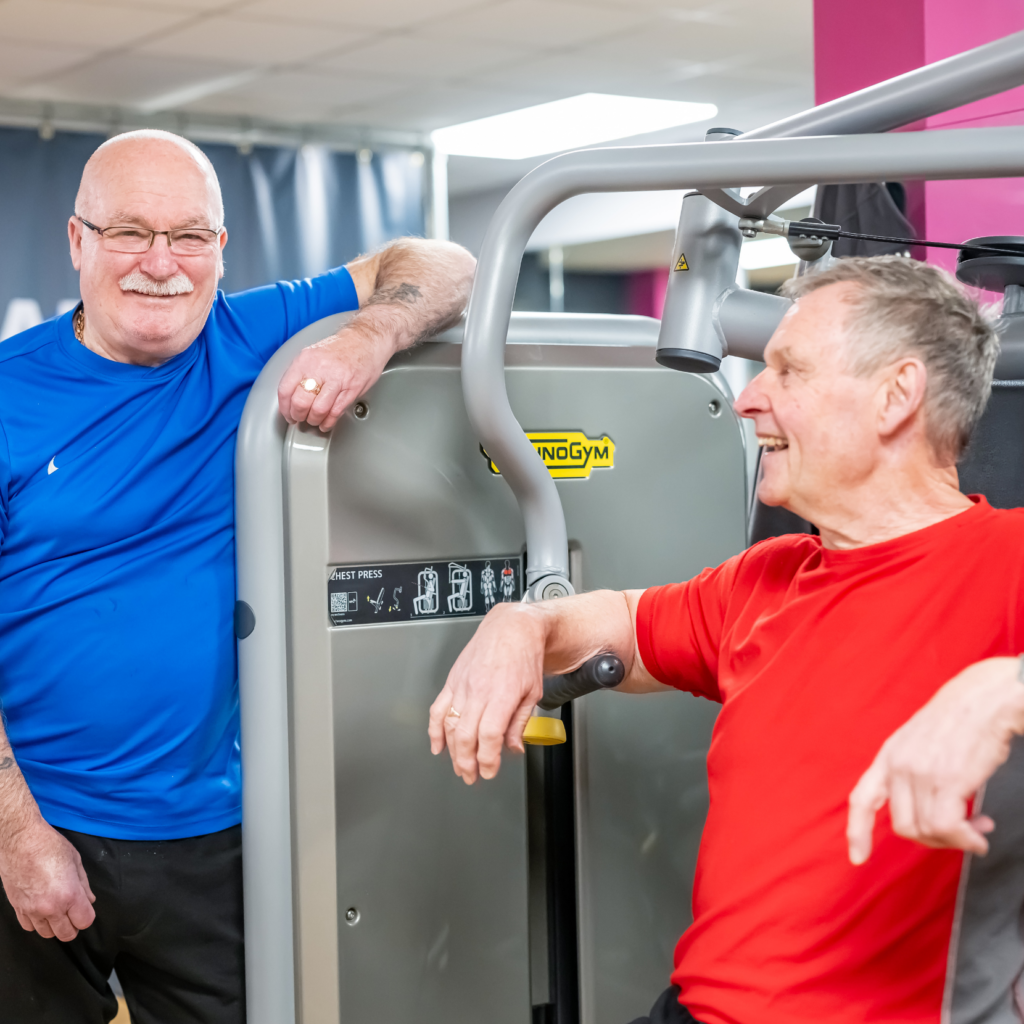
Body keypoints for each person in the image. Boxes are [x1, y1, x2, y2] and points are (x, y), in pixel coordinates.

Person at [429, 256, 1021, 1024]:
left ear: (895, 396)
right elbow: (624, 628)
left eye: (788, 371)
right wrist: (520, 624)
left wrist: (1000, 689)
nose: (748, 399)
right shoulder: (766, 579)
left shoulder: (1006, 559)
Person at [0, 129, 475, 1024]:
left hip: (214, 833)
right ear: (77, 242)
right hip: (42, 818)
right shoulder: (8, 395)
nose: (160, 264)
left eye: (188, 237)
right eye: (130, 232)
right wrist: (18, 837)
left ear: (222, 250)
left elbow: (445, 263)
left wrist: (370, 334)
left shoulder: (249, 333)